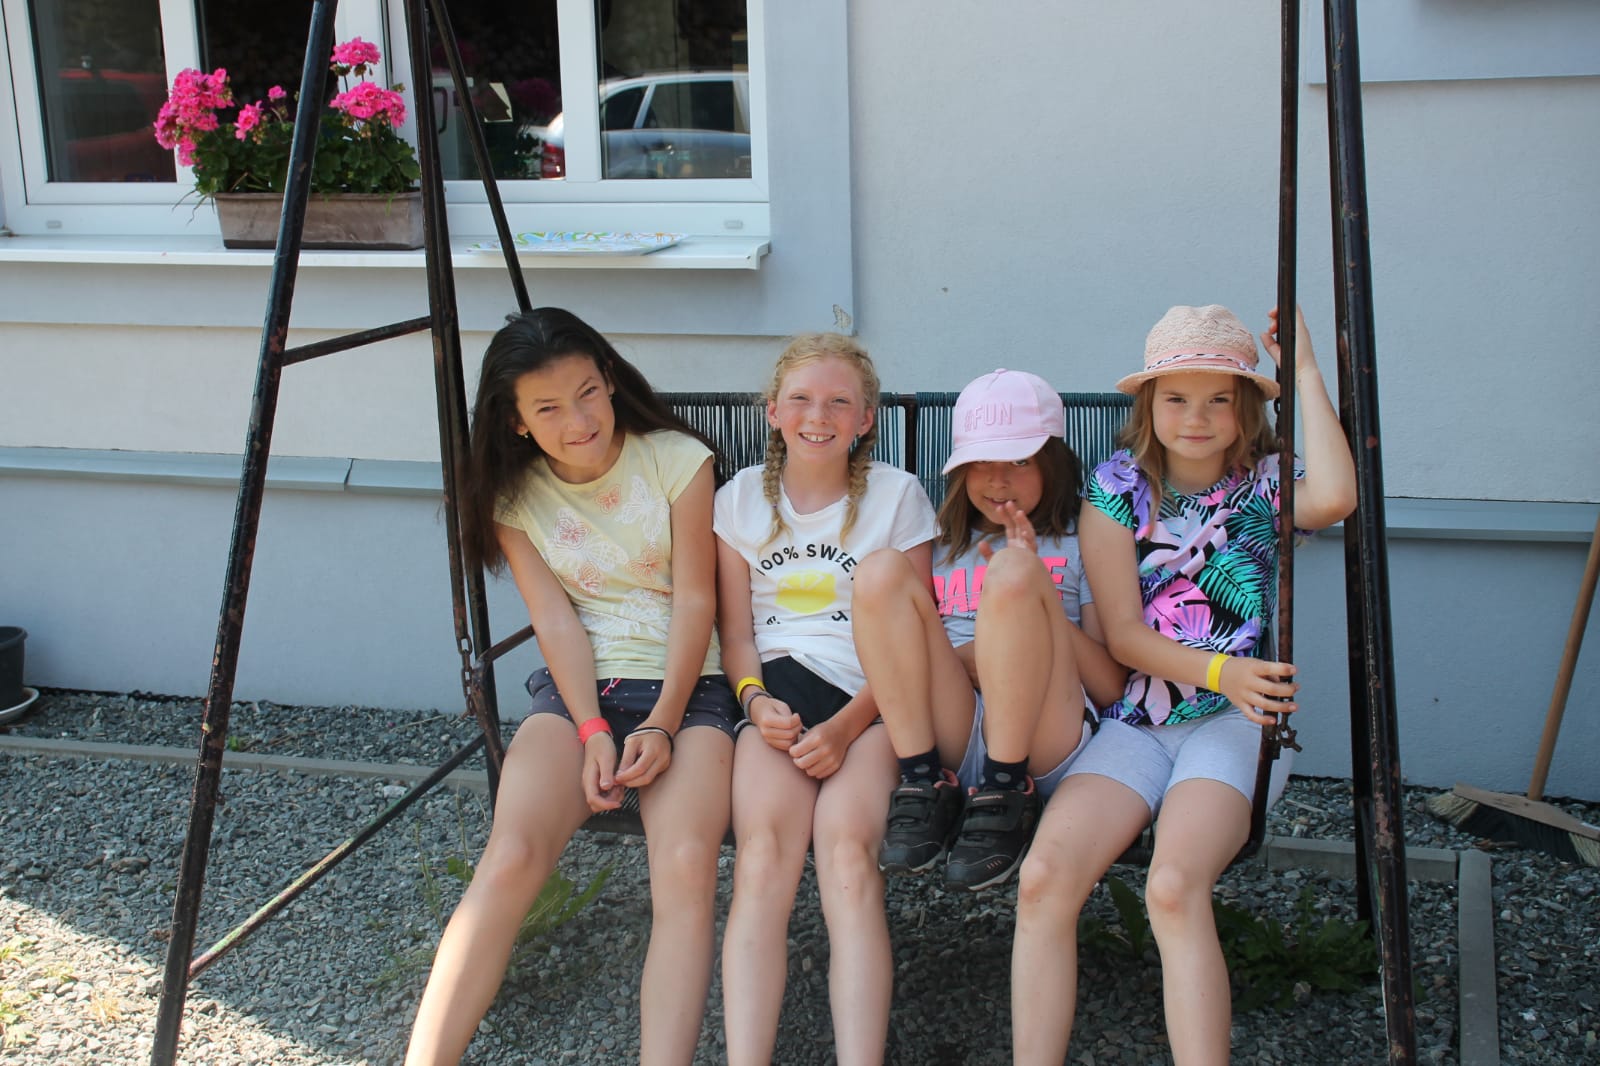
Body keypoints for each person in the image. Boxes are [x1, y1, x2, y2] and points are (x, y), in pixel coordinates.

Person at [1011, 304, 1358, 1065]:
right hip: (1140, 723)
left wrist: (1301, 369)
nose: (1196, 418)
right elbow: (1124, 635)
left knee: (1171, 886)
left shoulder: (1265, 484)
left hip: (1235, 724)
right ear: (1149, 405)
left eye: (1218, 399)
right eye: (1176, 397)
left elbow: (1336, 496)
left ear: (1246, 409)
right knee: (1042, 877)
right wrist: (1220, 669)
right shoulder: (1116, 487)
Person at [405, 308, 736, 1066]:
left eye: (587, 393)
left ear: (610, 381)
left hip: (691, 688)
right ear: (516, 421)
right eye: (548, 408)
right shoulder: (514, 496)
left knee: (684, 869)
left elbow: (698, 601)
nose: (578, 421)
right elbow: (554, 620)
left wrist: (661, 722)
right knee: (511, 856)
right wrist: (591, 730)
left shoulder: (677, 460)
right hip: (577, 691)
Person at [714, 333, 937, 1066]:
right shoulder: (739, 500)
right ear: (773, 411)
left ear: (866, 419)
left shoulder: (897, 497)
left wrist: (845, 728)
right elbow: (736, 635)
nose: (819, 415)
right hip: (776, 703)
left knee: (847, 855)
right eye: (802, 399)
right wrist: (754, 704)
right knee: (762, 858)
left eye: (840, 402)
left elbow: (917, 636)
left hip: (872, 704)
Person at [853, 369, 1127, 891]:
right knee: (879, 570)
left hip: (1044, 738)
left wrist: (1036, 602)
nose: (998, 480)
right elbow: (903, 647)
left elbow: (1111, 686)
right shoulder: (938, 546)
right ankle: (922, 781)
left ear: (1052, 462)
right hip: (954, 728)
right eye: (981, 462)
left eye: (1020, 462)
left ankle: (1007, 792)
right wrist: (977, 656)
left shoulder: (1082, 542)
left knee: (1014, 572)